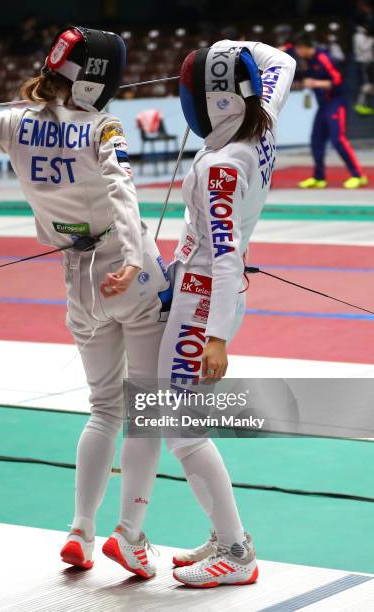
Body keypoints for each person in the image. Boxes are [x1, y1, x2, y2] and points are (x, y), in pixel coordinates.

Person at [0, 27, 170, 579]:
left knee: (103, 409)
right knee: (146, 410)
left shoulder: (11, 123)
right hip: (127, 271)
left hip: (78, 281)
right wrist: (136, 263)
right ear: (98, 81)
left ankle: (80, 530)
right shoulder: (103, 126)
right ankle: (130, 536)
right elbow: (122, 187)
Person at [151, 40, 295, 587]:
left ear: (218, 103)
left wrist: (216, 338)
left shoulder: (223, 166)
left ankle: (236, 553)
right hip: (198, 289)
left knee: (182, 430)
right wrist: (231, 51)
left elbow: (228, 257)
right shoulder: (261, 116)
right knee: (180, 425)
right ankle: (223, 534)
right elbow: (285, 64)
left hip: (204, 298)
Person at [293, 32, 368, 189]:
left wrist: (314, 83)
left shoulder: (323, 57)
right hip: (323, 106)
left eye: (298, 49)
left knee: (338, 139)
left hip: (336, 103)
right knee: (316, 141)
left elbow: (337, 81)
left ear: (305, 47)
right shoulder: (309, 60)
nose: (297, 53)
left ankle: (358, 176)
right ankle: (319, 178)